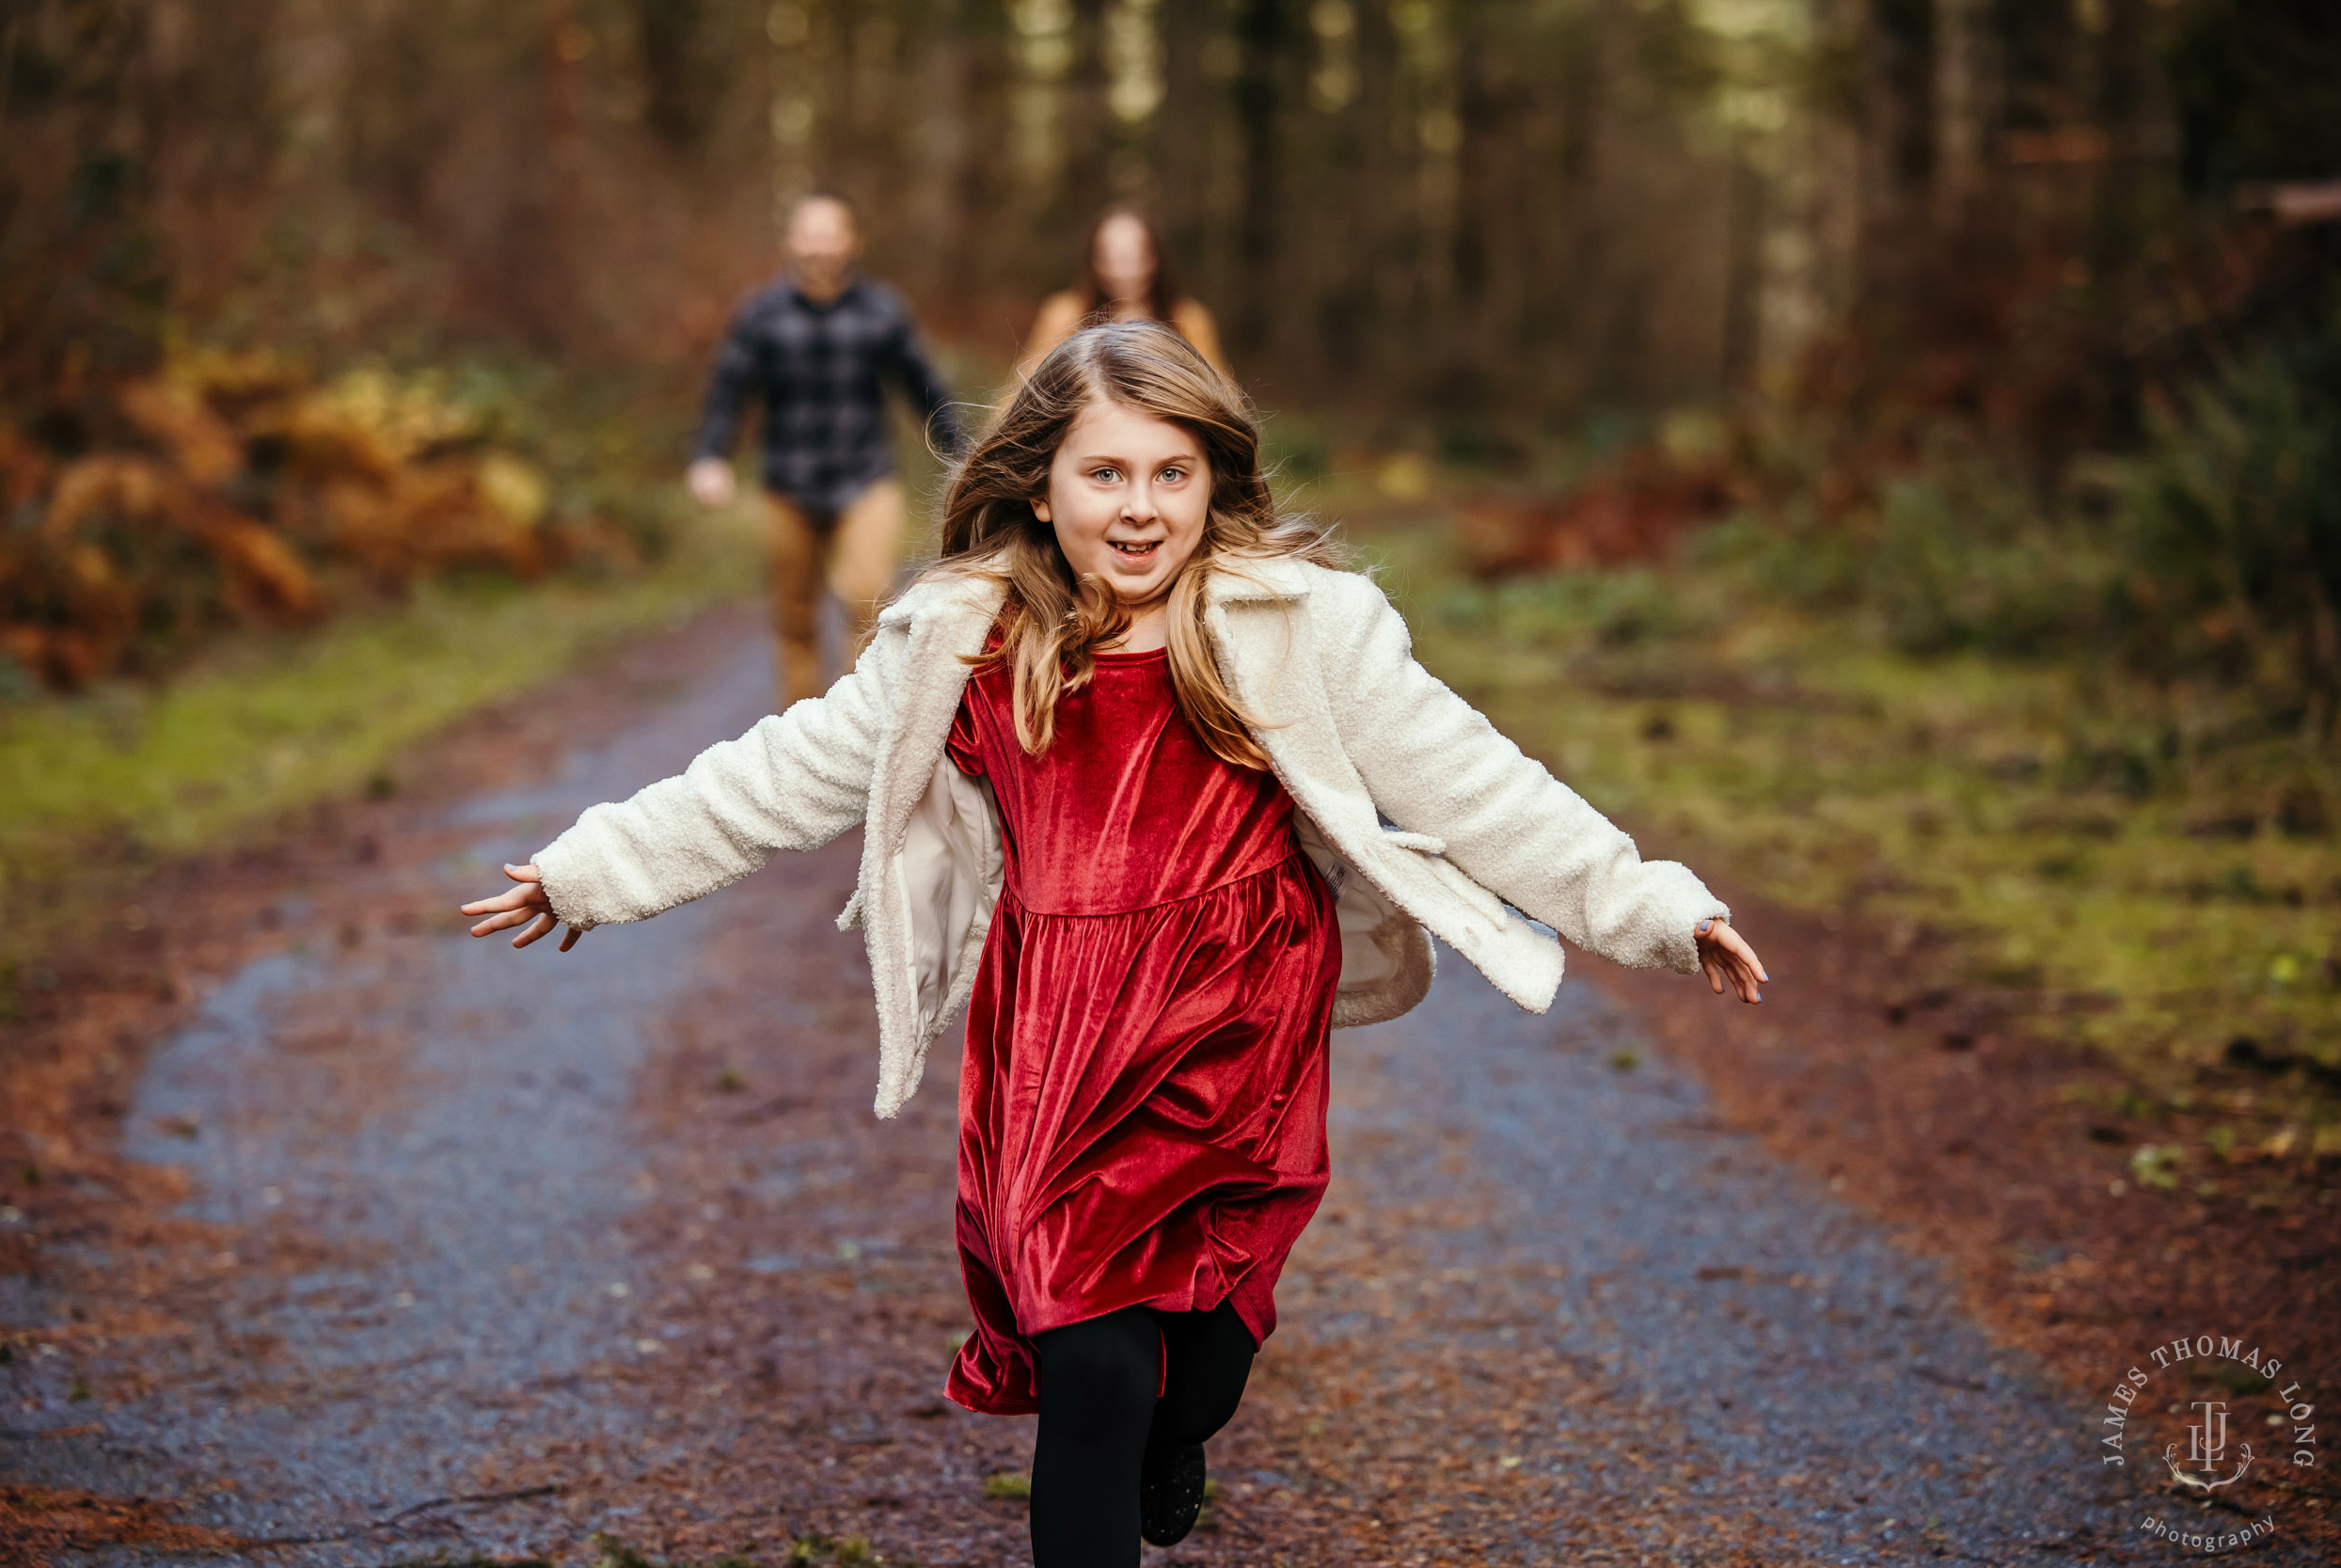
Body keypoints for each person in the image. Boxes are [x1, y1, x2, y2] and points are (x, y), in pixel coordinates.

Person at [462, 322, 1767, 1565]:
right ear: (1039, 488)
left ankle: (1179, 1427)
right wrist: (593, 868)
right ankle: (1123, 1437)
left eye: (1171, 473)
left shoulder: (1290, 625)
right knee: (1089, 1362)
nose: (1139, 507)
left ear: (1213, 483)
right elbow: (779, 772)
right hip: (1061, 1037)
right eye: (1105, 473)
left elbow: (1474, 780)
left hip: (1237, 1034)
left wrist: (1654, 904)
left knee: (1196, 1363)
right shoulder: (964, 642)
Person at [687, 190, 967, 708]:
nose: (819, 246)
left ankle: (854, 732)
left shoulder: (881, 311)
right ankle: (796, 738)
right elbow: (728, 389)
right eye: (808, 233)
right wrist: (711, 456)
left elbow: (924, 386)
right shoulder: (761, 314)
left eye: (829, 233)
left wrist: (963, 452)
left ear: (851, 242)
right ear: (792, 241)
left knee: (866, 599)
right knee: (794, 616)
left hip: (865, 479)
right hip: (787, 485)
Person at [1018, 206, 1226, 379]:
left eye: (1132, 257)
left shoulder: (1189, 320)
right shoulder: (1063, 314)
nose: (1122, 271)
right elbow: (1024, 388)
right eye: (1110, 258)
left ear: (1154, 258)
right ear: (1093, 261)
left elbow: (1222, 393)